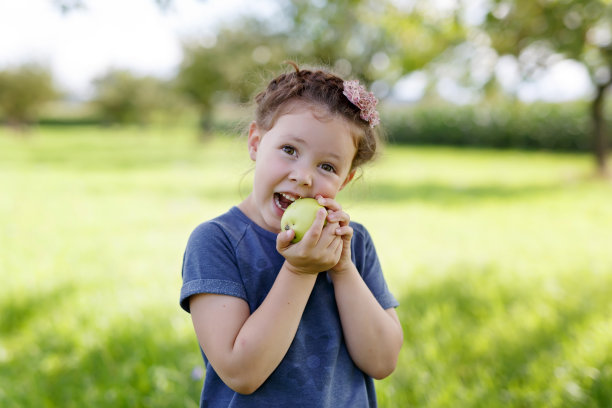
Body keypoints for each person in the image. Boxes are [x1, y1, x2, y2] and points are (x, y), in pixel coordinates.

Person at [180, 61, 403, 408]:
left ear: (345, 181)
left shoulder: (352, 243)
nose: (303, 177)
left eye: (327, 166)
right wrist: (301, 270)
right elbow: (242, 373)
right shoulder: (217, 241)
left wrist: (343, 270)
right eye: (289, 150)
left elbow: (382, 360)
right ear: (256, 142)